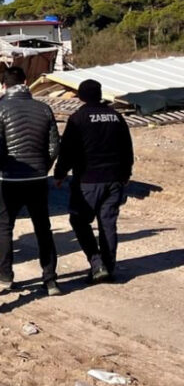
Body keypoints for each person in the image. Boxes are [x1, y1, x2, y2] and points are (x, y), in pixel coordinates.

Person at [0, 66, 62, 296]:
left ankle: (5, 272)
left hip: (10, 178)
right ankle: (50, 280)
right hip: (37, 179)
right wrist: (42, 167)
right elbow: (54, 146)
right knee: (43, 228)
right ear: (26, 81)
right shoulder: (44, 108)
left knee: (5, 226)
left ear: (4, 86)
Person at [54, 79, 134, 282]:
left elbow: (68, 150)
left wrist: (60, 173)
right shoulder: (116, 117)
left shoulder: (78, 118)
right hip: (115, 179)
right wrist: (126, 173)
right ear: (100, 95)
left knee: (79, 220)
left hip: (88, 181)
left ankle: (97, 264)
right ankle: (108, 267)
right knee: (108, 224)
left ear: (80, 96)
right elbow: (127, 148)